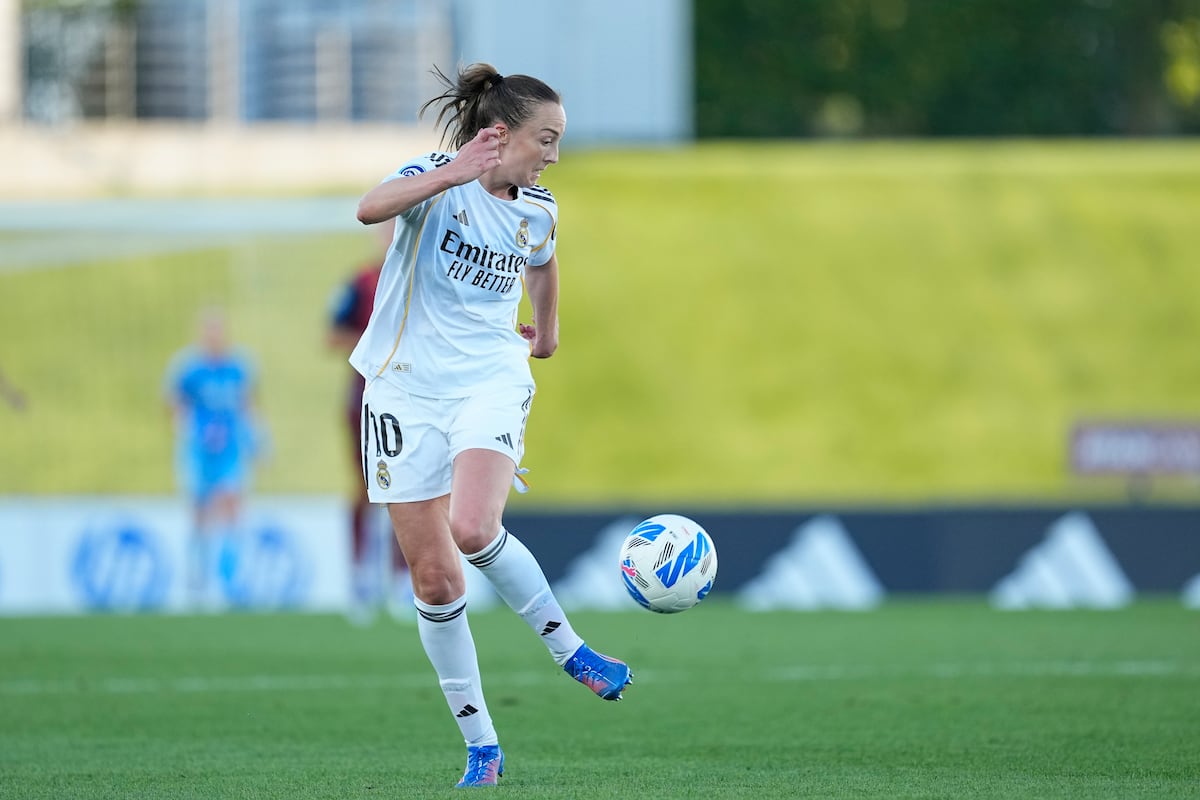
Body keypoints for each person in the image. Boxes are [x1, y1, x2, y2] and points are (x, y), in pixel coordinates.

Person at [351, 63, 632, 788]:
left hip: (487, 378)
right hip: (402, 391)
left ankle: (572, 651)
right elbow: (369, 208)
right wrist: (450, 176)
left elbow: (543, 260)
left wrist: (548, 333)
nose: (554, 155)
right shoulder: (434, 179)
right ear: (500, 135)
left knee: (474, 527)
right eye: (547, 139)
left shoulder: (539, 206)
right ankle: (482, 746)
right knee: (438, 581)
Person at [327, 218, 411, 622]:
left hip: (415, 398)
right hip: (365, 398)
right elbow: (332, 335)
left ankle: (402, 581)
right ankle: (360, 579)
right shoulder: (361, 281)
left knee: (408, 487)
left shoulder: (421, 275)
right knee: (365, 486)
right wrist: (374, 343)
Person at [165, 307, 264, 610]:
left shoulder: (240, 366)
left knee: (232, 508)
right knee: (199, 512)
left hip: (230, 451)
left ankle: (232, 580)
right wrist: (190, 432)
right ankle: (197, 580)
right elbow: (174, 404)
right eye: (209, 330)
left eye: (218, 330)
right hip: (198, 453)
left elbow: (247, 404)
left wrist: (257, 439)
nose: (214, 337)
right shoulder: (187, 368)